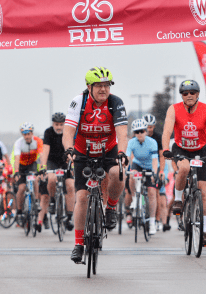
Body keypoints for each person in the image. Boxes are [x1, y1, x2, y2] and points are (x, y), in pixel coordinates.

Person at [63, 67, 128, 263]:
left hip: (108, 149)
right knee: (82, 197)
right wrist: (69, 149)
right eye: (99, 85)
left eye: (106, 85)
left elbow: (122, 132)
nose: (103, 89)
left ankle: (111, 208)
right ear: (89, 87)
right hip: (83, 151)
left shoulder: (116, 102)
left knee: (118, 173)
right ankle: (78, 244)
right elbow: (68, 131)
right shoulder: (79, 102)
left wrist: (122, 153)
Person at [162, 80, 206, 246]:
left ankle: (205, 231)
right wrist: (165, 149)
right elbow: (167, 131)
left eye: (192, 93)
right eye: (185, 93)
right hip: (181, 149)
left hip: (201, 150)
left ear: (197, 94)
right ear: (181, 96)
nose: (189, 96)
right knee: (184, 168)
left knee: (204, 190)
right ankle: (178, 200)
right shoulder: (174, 109)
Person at [40, 112, 75, 231]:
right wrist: (43, 167)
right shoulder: (48, 132)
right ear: (53, 124)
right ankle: (53, 200)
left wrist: (73, 166)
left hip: (65, 161)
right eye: (56, 124)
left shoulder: (68, 131)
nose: (59, 127)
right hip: (52, 161)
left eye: (61, 124)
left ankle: (69, 216)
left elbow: (70, 149)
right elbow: (45, 151)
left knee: (70, 186)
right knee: (52, 179)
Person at [126, 118, 158, 235]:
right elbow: (128, 158)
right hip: (138, 164)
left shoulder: (152, 142)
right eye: (137, 132)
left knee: (152, 192)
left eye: (141, 131)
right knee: (131, 175)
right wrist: (127, 169)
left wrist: (154, 172)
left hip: (150, 166)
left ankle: (152, 223)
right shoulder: (131, 142)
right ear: (134, 133)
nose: (139, 134)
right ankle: (135, 198)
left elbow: (155, 160)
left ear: (146, 131)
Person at [13, 122, 44, 231]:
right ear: (22, 134)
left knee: (35, 180)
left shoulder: (38, 141)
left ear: (32, 133)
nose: (27, 136)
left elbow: (41, 155)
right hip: (21, 166)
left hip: (32, 165)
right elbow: (16, 158)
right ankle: (20, 210)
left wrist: (41, 169)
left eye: (29, 133)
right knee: (21, 188)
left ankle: (36, 201)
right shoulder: (19, 143)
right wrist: (16, 171)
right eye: (24, 134)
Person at [143, 113, 170, 231]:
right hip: (143, 165)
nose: (148, 129)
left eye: (150, 127)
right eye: (146, 126)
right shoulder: (139, 135)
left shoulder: (158, 137)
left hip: (156, 165)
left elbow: (161, 156)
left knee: (157, 191)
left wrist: (162, 171)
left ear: (153, 127)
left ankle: (158, 219)